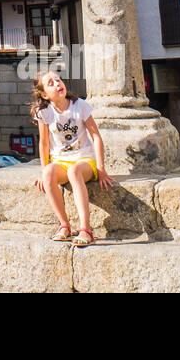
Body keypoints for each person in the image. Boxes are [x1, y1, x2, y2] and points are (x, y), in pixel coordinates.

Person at [30, 69, 113, 248]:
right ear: (45, 94)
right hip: (61, 161)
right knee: (49, 174)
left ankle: (85, 229)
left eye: (58, 80)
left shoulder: (80, 106)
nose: (57, 84)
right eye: (51, 83)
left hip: (84, 160)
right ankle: (64, 225)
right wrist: (44, 170)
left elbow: (96, 137)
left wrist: (101, 169)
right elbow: (44, 144)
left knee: (75, 172)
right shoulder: (44, 112)